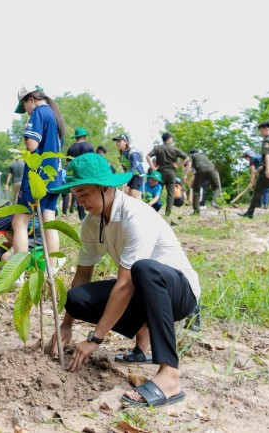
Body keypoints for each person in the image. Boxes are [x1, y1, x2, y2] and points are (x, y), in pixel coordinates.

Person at [46, 153, 200, 408]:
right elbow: (83, 274)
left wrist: (95, 339)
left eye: (84, 193)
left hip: (179, 293)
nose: (80, 201)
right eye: (76, 195)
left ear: (106, 187)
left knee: (143, 269)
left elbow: (126, 283)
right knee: (77, 299)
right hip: (145, 291)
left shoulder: (135, 216)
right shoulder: (91, 223)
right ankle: (143, 342)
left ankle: (170, 375)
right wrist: (67, 325)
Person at [12, 84, 66, 268]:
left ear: (31, 100)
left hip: (37, 178)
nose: (26, 112)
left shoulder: (39, 113)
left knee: (19, 221)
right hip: (54, 177)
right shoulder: (55, 116)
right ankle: (52, 266)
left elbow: (32, 146)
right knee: (48, 219)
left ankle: (17, 272)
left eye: (24, 106)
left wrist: (27, 131)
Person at [238, 122, 269, 219]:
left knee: (258, 190)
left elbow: (268, 155)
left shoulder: (267, 141)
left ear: (266, 129)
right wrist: (263, 166)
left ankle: (250, 213)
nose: (261, 133)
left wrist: (267, 168)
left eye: (261, 131)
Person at [146, 133, 191, 216]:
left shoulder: (158, 148)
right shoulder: (174, 149)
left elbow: (148, 156)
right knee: (170, 194)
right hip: (171, 173)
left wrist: (153, 168)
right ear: (169, 139)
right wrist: (178, 164)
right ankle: (167, 213)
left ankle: (153, 210)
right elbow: (187, 158)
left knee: (157, 192)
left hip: (160, 174)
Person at [65, 127, 95, 220]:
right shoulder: (89, 146)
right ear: (85, 136)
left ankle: (82, 217)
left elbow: (68, 164)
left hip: (76, 175)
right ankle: (93, 213)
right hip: (87, 174)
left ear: (76, 137)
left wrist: (70, 177)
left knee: (79, 194)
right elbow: (93, 161)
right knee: (91, 192)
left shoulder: (71, 148)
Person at [186, 148, 221, 215]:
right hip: (212, 170)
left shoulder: (192, 155)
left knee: (196, 191)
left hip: (201, 170)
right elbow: (211, 165)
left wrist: (186, 175)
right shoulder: (204, 156)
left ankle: (196, 212)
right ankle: (214, 201)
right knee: (217, 187)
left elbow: (189, 164)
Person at [114, 134, 144, 199]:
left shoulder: (132, 152)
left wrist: (126, 177)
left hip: (137, 175)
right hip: (130, 175)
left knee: (133, 195)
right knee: (126, 193)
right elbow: (125, 168)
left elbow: (134, 166)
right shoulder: (122, 154)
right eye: (117, 141)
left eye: (119, 141)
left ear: (125, 142)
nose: (117, 143)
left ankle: (141, 207)